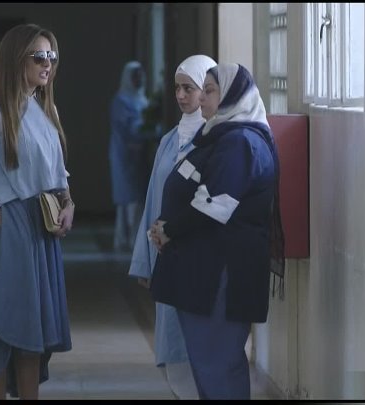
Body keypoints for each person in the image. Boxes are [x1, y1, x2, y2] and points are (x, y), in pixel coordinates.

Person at [148, 63, 286, 400]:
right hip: (206, 270)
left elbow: (215, 206)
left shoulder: (240, 143)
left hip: (221, 275)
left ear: (233, 96)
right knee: (209, 365)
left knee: (218, 364)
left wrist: (170, 230)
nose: (201, 99)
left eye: (209, 91)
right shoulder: (221, 137)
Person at [0, 23, 74, 400]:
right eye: (38, 56)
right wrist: (1, 218)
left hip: (38, 228)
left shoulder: (45, 109)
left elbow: (58, 171)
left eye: (51, 56)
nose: (47, 63)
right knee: (1, 330)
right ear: (16, 59)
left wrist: (68, 204)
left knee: (31, 332)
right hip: (2, 230)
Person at [128, 54, 217, 399]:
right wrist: (145, 260)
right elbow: (153, 198)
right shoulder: (168, 141)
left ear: (206, 89)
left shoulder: (215, 139)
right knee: (174, 352)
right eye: (177, 88)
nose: (180, 95)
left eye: (189, 88)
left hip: (198, 258)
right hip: (167, 256)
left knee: (200, 348)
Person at [109, 61, 150, 251]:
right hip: (124, 156)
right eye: (135, 76)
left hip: (140, 156)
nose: (138, 80)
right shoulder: (121, 101)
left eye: (140, 76)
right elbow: (127, 129)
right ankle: (123, 239)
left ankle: (134, 240)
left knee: (137, 200)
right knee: (126, 199)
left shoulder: (143, 99)